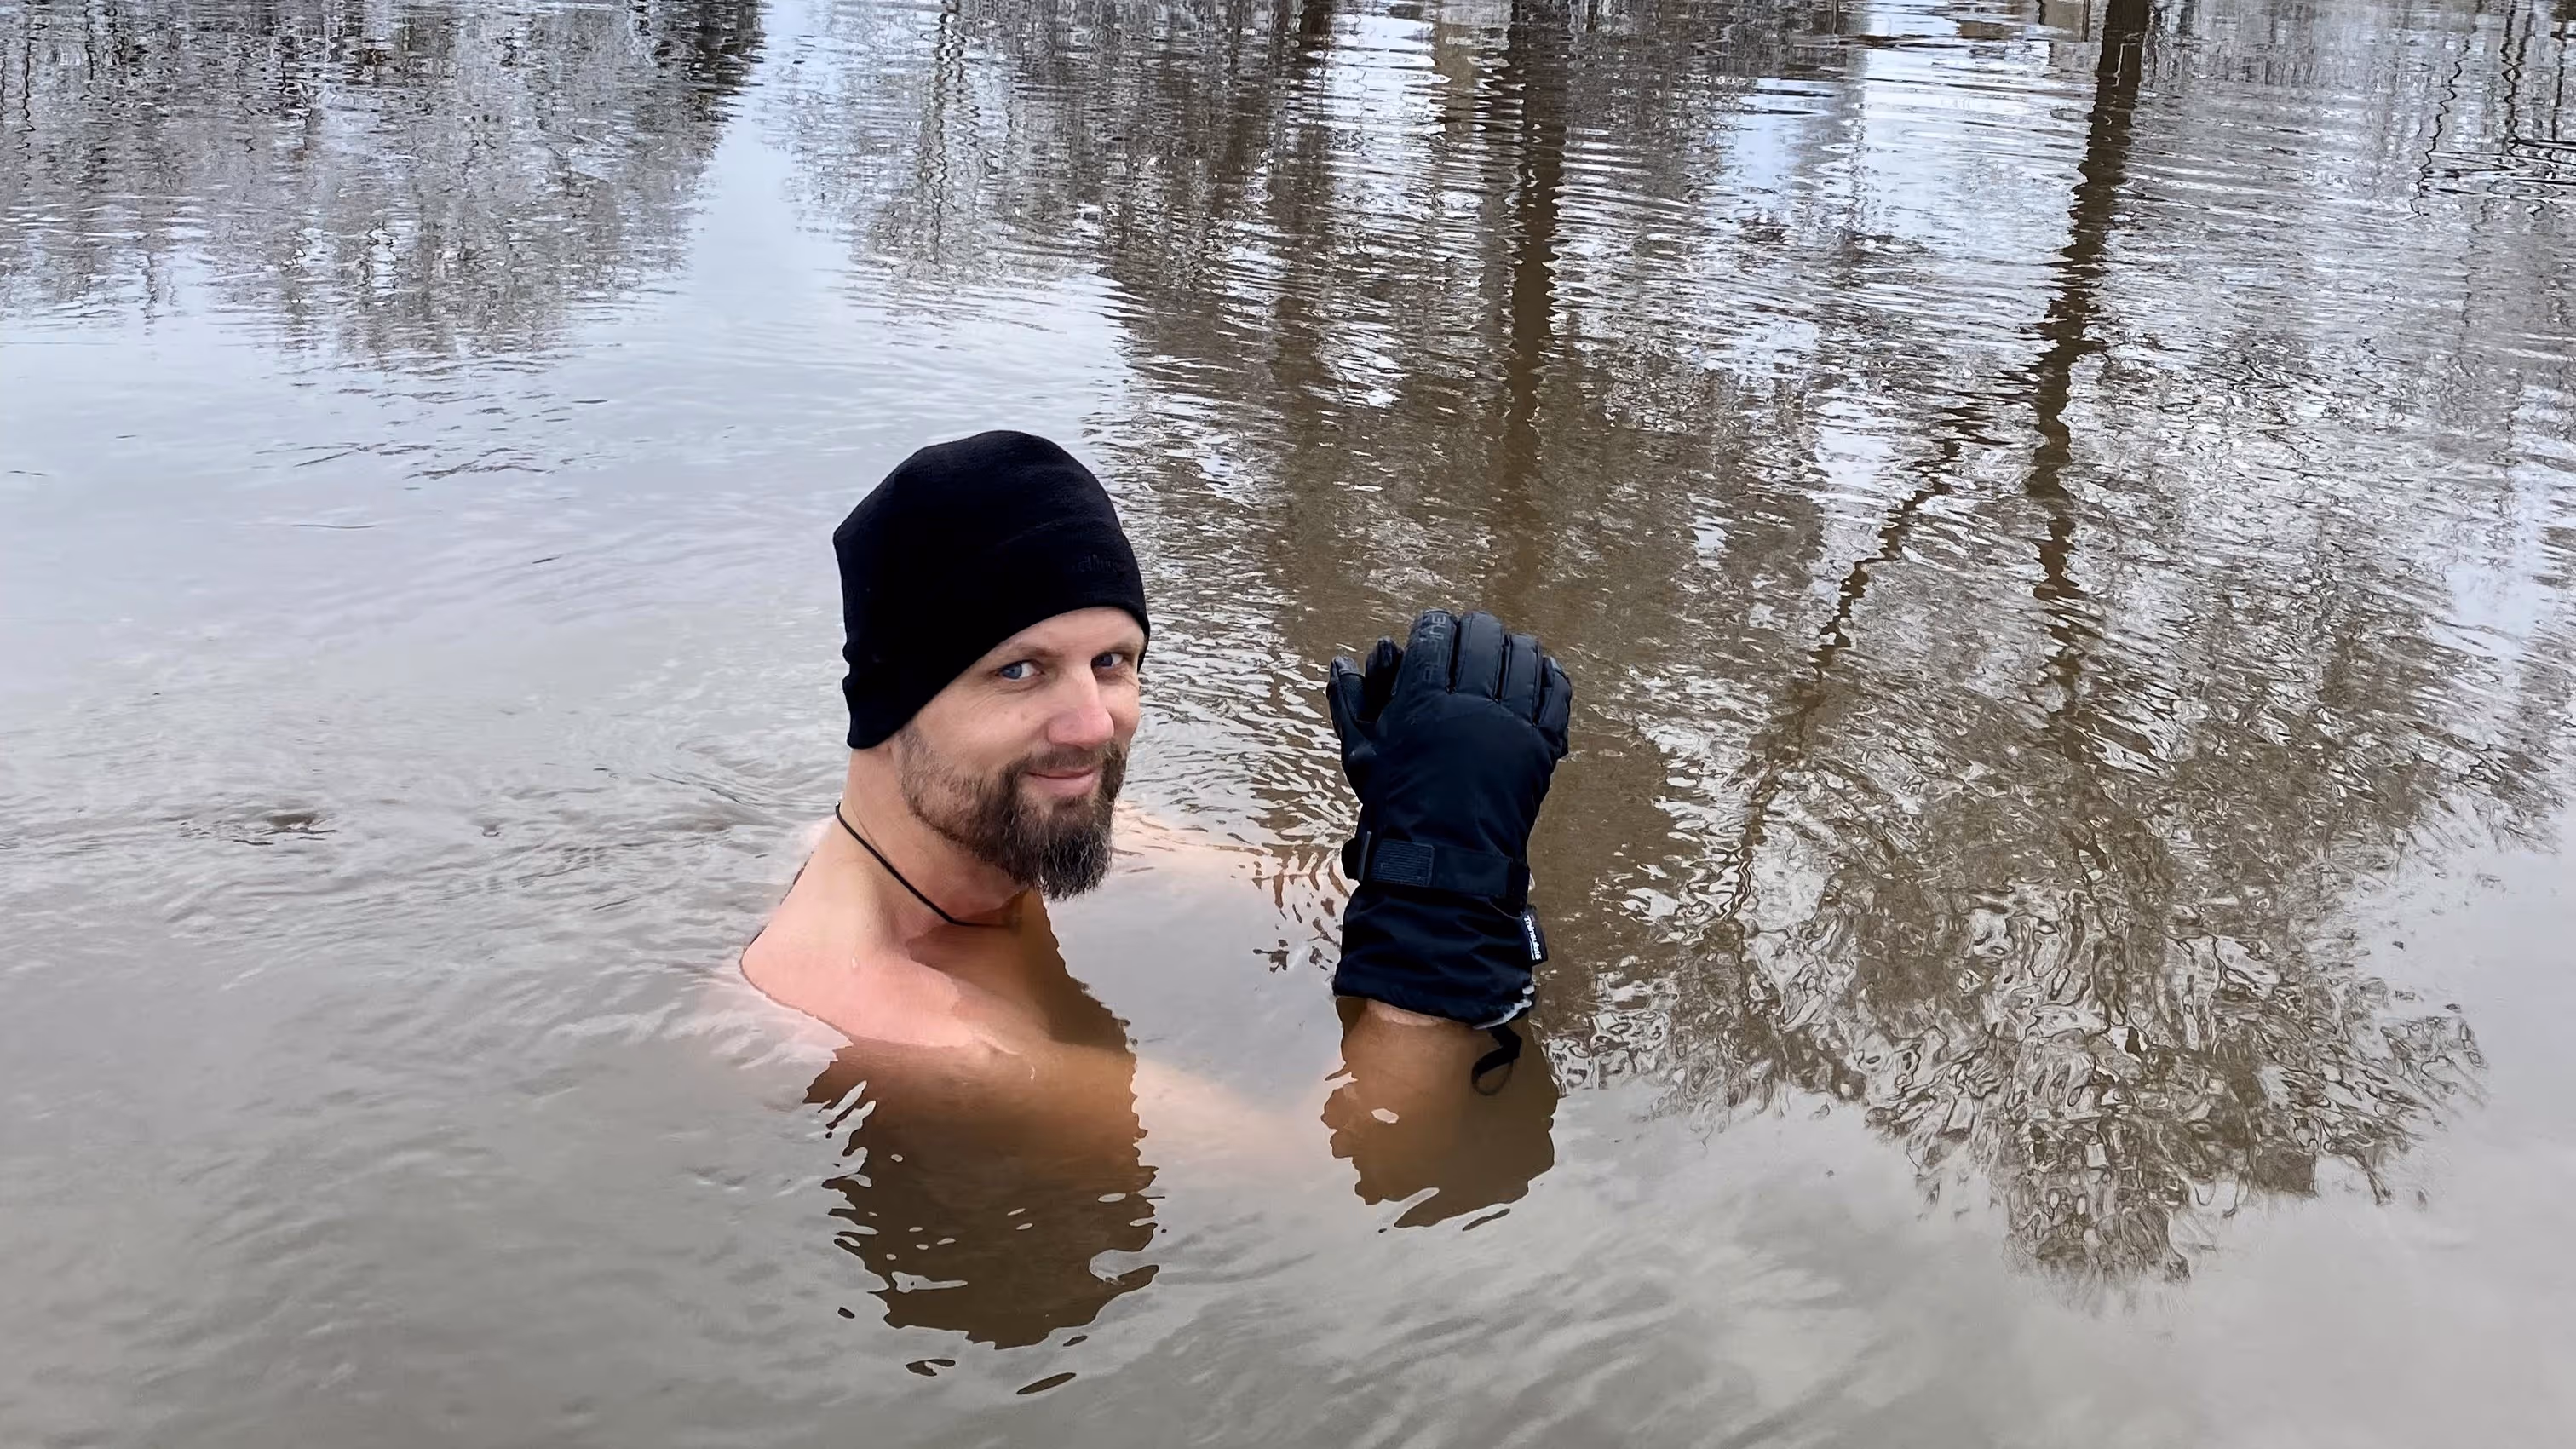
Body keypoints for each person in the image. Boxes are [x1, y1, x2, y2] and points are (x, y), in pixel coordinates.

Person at [739, 430, 1572, 1330]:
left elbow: (1289, 889)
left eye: (1114, 661)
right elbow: (1323, 1170)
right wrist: (1444, 889)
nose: (1091, 725)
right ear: (891, 705)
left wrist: (1416, 820)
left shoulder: (1012, 825)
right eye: (1020, 670)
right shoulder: (901, 1030)